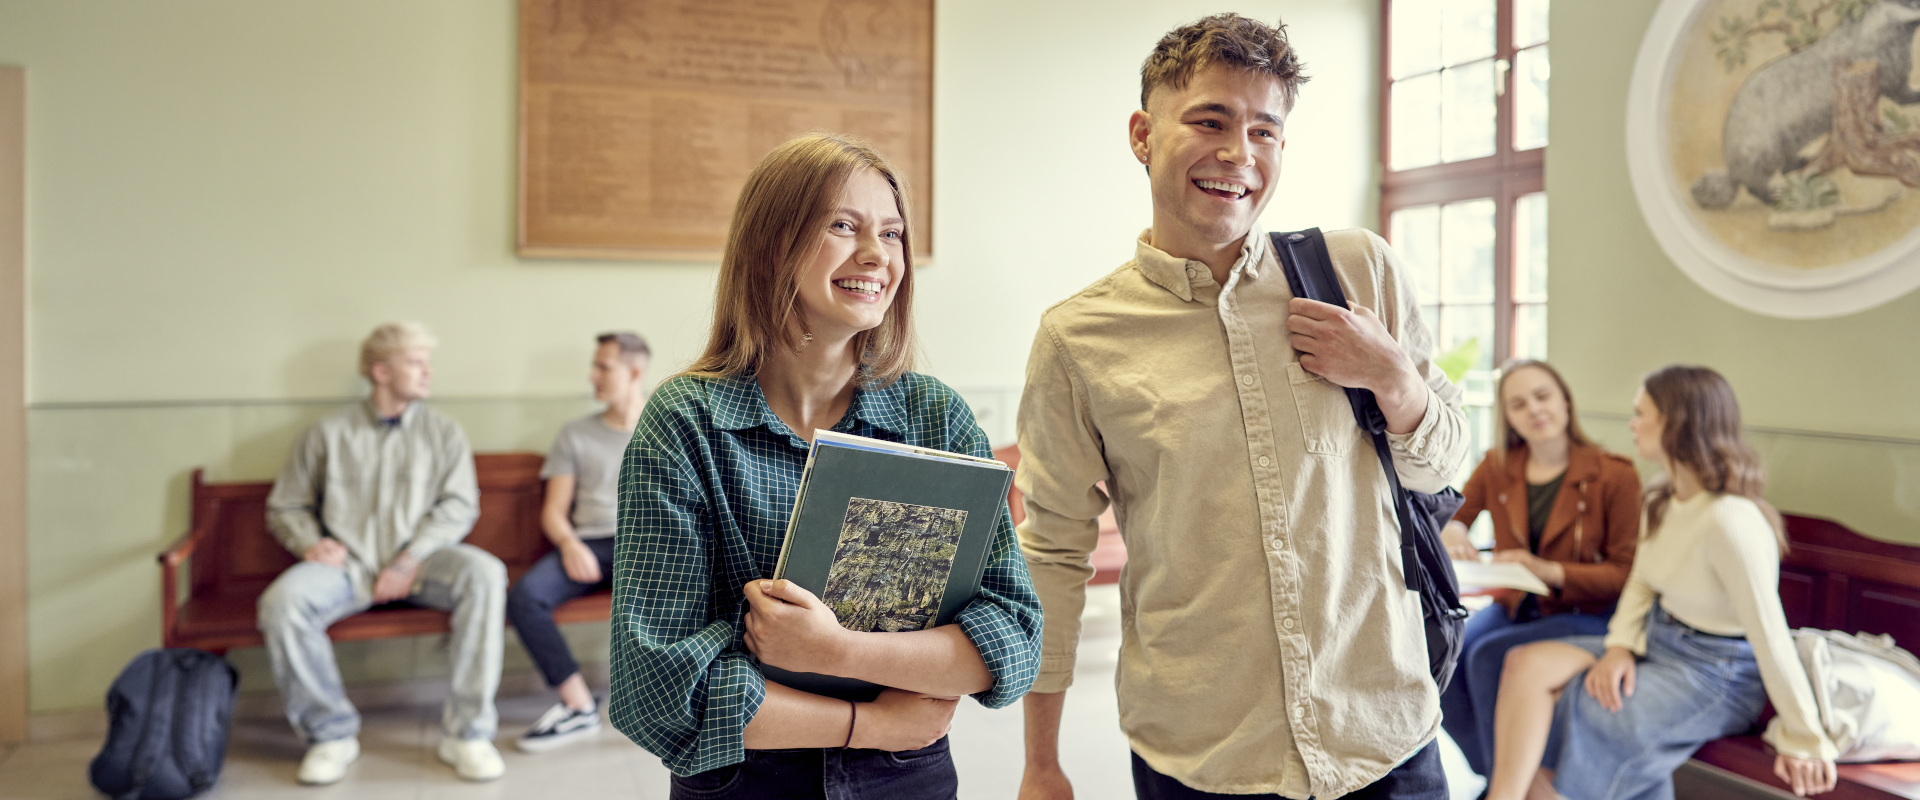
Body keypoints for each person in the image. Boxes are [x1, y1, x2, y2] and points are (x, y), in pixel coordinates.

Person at [1015, 14, 1468, 800]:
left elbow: (1445, 465)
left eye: (1266, 130)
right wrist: (1042, 762)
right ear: (1142, 135)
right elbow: (1053, 553)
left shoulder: (1357, 270)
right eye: (1210, 121)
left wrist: (1394, 377)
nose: (1239, 155)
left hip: (1386, 743)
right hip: (1202, 761)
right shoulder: (1076, 339)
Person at [605, 132, 1044, 799]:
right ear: (772, 244)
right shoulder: (685, 423)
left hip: (909, 775)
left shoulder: (935, 417)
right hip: (743, 781)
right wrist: (868, 722)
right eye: (844, 226)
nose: (878, 255)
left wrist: (833, 651)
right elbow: (657, 688)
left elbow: (1011, 639)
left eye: (893, 234)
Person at [1485, 365, 1838, 800]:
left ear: (1675, 424)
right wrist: (1619, 647)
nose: (1631, 424)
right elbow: (1640, 584)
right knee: (1523, 664)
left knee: (1588, 705)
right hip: (1661, 639)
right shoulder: (1663, 498)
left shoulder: (1730, 520)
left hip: (1718, 672)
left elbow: (1770, 635)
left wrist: (1806, 738)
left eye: (1640, 413)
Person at [260, 322, 507, 785]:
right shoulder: (325, 434)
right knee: (282, 603)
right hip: (347, 568)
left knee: (486, 574)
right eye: (415, 362)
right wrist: (309, 542)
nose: (427, 372)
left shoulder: (445, 433)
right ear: (380, 371)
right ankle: (330, 734)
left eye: (427, 363)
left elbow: (459, 507)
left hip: (423, 563)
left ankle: (468, 734)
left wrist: (409, 557)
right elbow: (286, 505)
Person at [1436, 359, 1641, 779]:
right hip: (1517, 607)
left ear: (1565, 400)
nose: (1534, 409)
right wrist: (1454, 530)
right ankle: (1499, 776)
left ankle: (1515, 785)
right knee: (1443, 650)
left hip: (1589, 614)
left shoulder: (1615, 475)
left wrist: (1547, 570)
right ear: (1508, 417)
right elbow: (1455, 513)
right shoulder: (1497, 465)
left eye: (1543, 396)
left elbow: (1625, 574)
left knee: (1489, 656)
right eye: (1518, 403)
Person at [507, 330, 650, 752]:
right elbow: (553, 511)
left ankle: (671, 701)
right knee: (524, 598)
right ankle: (578, 705)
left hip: (643, 542)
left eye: (603, 367)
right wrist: (570, 545)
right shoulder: (574, 434)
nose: (593, 377)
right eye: (595, 367)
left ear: (634, 371)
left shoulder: (662, 426)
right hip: (588, 544)